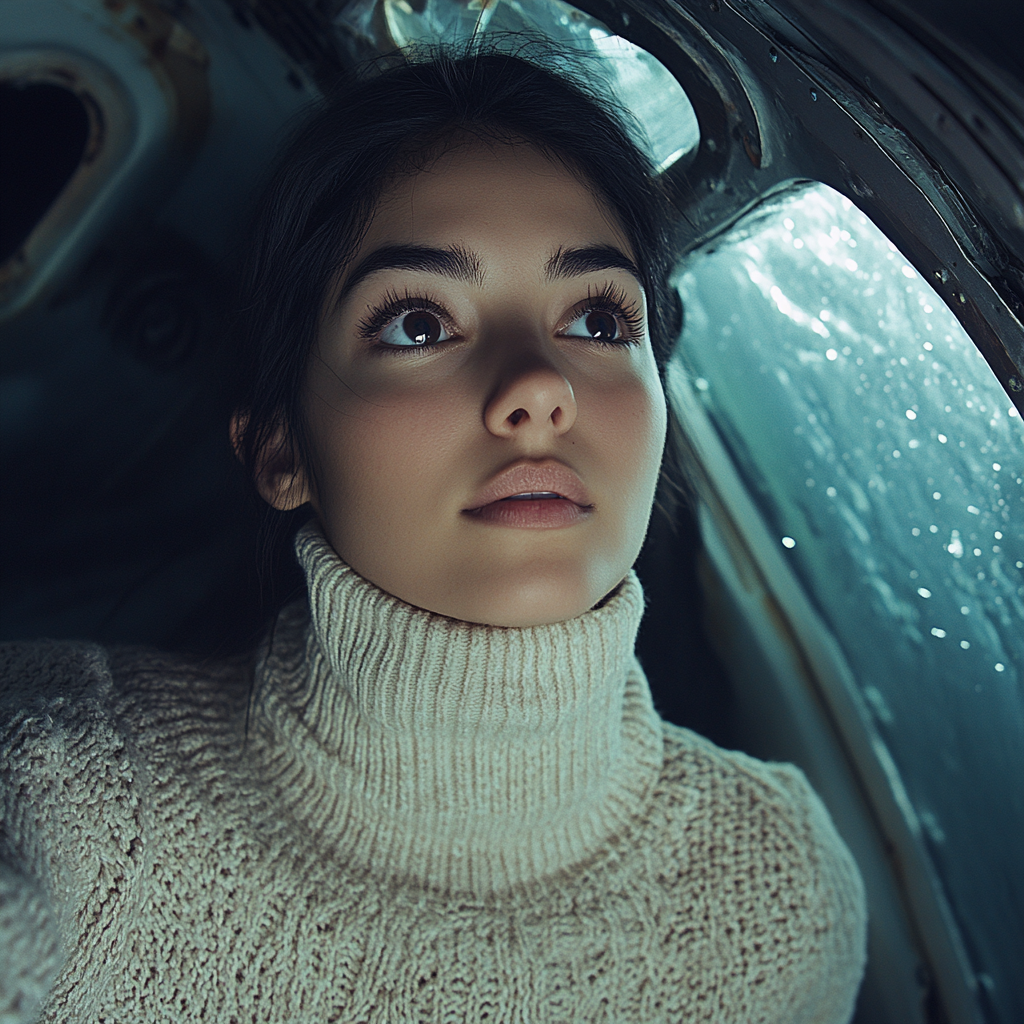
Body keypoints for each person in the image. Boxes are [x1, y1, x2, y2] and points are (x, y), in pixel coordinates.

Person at [0, 43, 867, 1022]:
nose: (538, 386)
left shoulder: (781, 887)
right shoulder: (53, 776)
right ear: (281, 450)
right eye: (417, 322)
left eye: (593, 317)